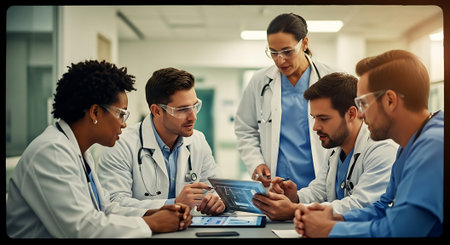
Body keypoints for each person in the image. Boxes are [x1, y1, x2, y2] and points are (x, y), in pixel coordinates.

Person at [6, 60, 192, 238]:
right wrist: (152, 223)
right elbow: (81, 228)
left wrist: (155, 212)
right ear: (95, 112)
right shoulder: (51, 152)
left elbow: (106, 208)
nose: (124, 125)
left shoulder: (78, 152)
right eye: (121, 114)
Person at [294, 50, 443, 237]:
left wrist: (330, 230)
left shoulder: (435, 146)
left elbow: (402, 231)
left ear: (390, 100)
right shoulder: (409, 146)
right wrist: (335, 218)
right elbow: (382, 207)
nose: (361, 115)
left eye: (363, 103)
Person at [252, 72, 397, 220]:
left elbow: (361, 205)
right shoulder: (336, 149)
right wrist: (294, 198)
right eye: (314, 118)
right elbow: (319, 191)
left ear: (351, 114)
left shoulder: (382, 149)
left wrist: (295, 210)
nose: (315, 127)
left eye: (323, 118)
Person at [98, 67, 225, 215]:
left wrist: (217, 200)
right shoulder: (121, 144)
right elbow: (114, 202)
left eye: (195, 106)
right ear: (156, 111)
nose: (193, 116)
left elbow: (217, 188)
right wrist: (174, 204)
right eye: (183, 109)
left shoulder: (198, 140)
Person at [235, 13, 339, 188]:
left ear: (304, 43)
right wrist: (256, 162)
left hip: (322, 181)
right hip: (277, 183)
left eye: (287, 51)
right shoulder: (260, 81)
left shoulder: (332, 77)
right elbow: (245, 128)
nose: (280, 60)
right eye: (273, 52)